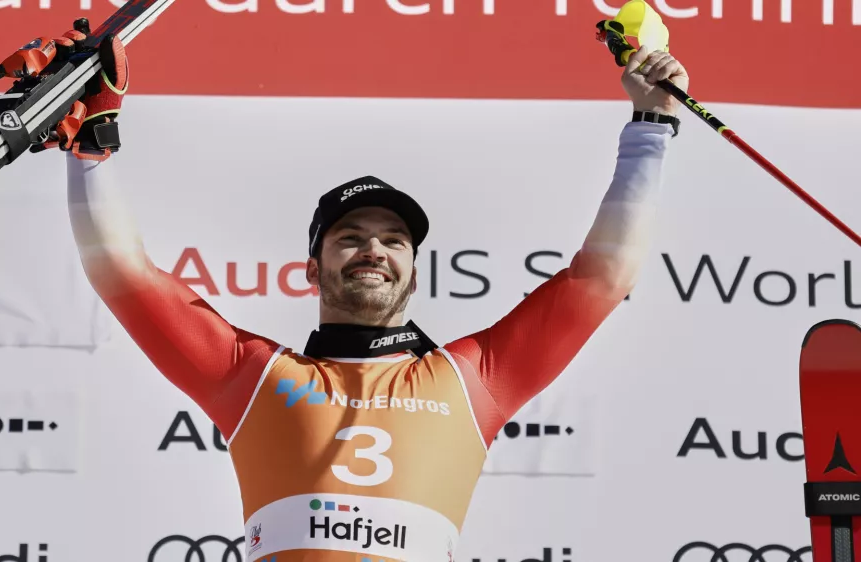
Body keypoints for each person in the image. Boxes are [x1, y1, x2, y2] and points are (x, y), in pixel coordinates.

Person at [42, 27, 687, 562]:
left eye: (395, 241)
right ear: (312, 269)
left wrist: (652, 125)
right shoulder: (252, 375)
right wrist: (91, 148)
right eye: (350, 238)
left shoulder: (474, 379)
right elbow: (123, 274)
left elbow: (603, 276)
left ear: (414, 271)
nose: (374, 250)